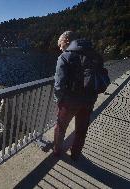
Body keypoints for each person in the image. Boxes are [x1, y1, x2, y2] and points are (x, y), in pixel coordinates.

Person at [53, 31, 103, 160]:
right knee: (81, 129)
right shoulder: (95, 55)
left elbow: (59, 84)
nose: (60, 48)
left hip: (70, 101)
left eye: (60, 44)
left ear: (67, 41)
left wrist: (59, 100)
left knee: (60, 127)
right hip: (89, 100)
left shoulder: (65, 57)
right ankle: (75, 154)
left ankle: (57, 151)